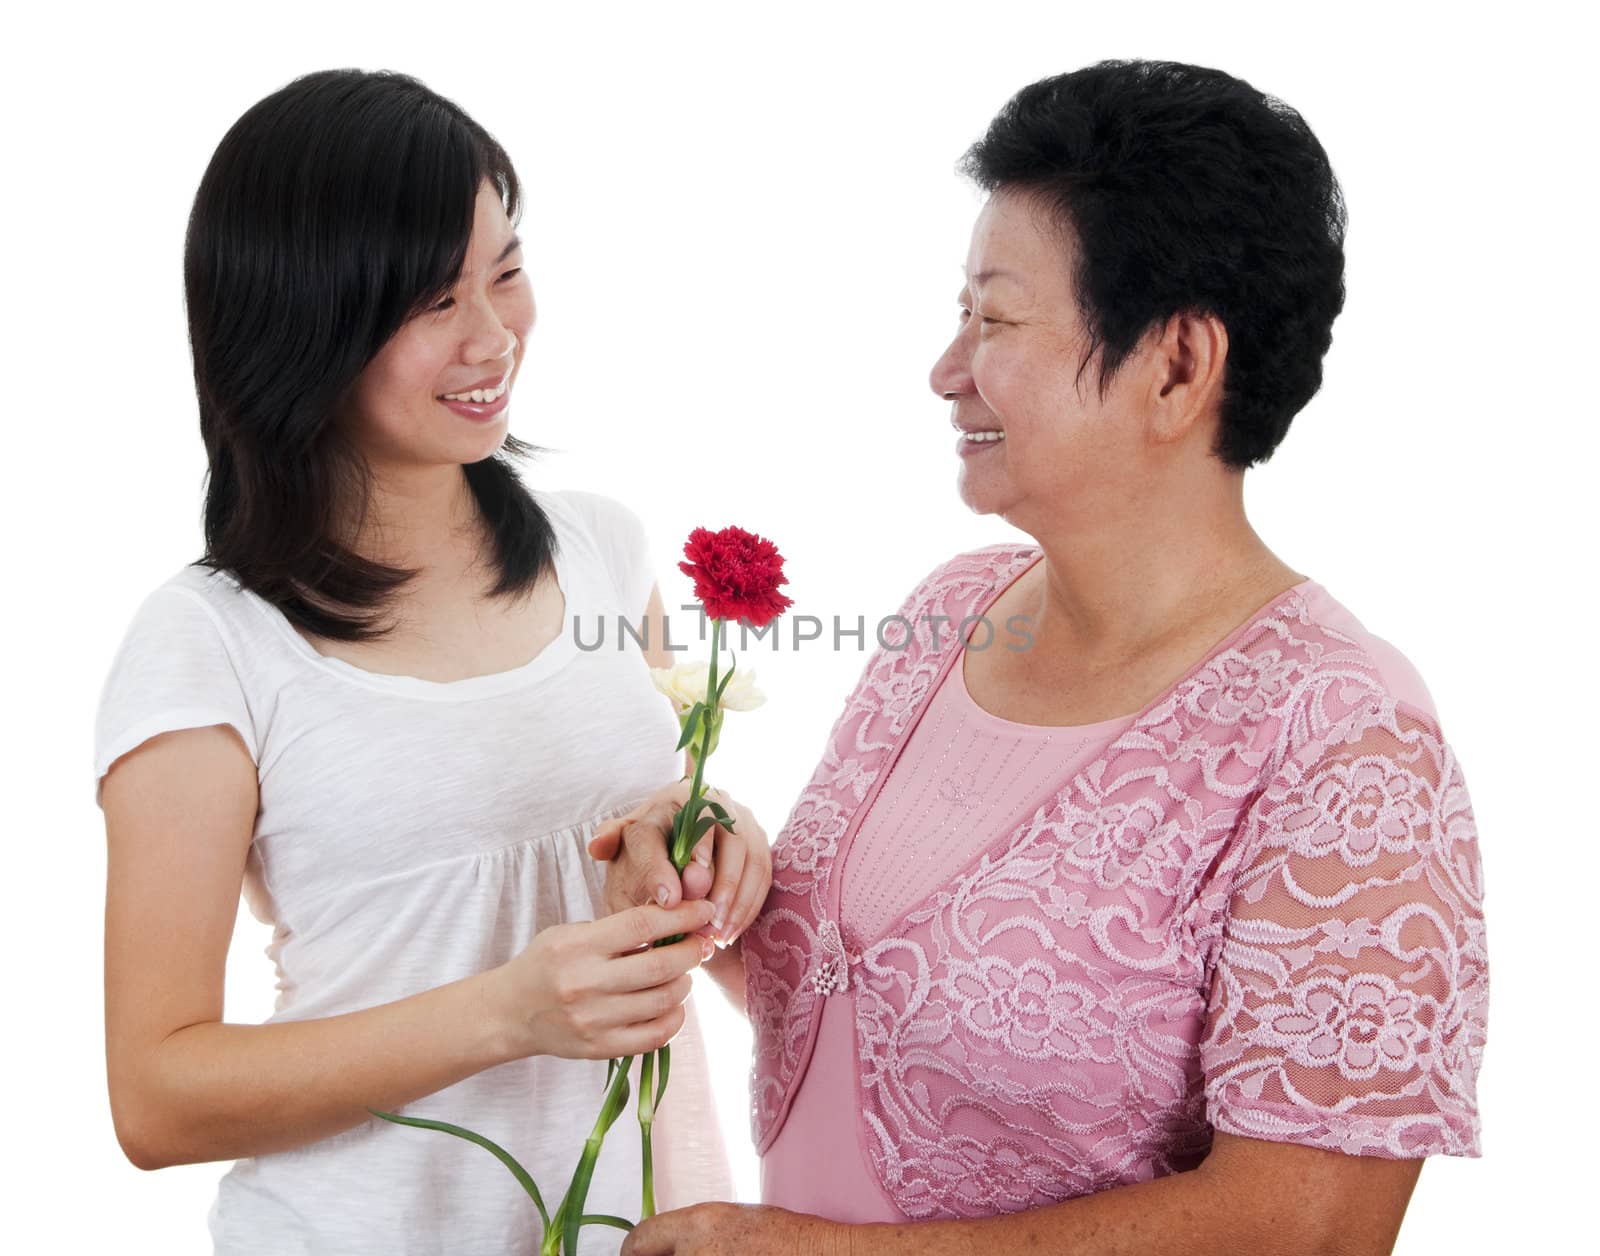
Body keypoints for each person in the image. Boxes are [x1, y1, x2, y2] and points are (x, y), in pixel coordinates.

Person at [595, 60, 1489, 1256]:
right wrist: (712, 877)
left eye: (997, 318)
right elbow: (864, 1006)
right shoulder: (952, 610)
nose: (946, 366)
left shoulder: (1343, 738)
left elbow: (1311, 1229)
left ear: (1175, 365)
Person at [93, 68, 768, 1255]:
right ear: (303, 322)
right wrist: (508, 1011)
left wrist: (700, 853)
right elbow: (157, 1095)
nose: (493, 334)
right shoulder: (206, 642)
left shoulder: (602, 549)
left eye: (505, 270)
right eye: (429, 301)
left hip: (645, 1224)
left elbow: (651, 900)